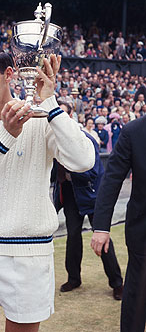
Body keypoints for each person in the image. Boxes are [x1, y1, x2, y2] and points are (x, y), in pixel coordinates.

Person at [0, 46, 95, 332]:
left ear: (9, 74)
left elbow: (83, 160)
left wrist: (49, 102)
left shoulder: (42, 120)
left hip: (28, 255)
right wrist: (5, 136)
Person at [53, 103, 123, 299]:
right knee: (72, 237)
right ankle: (74, 278)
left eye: (62, 113)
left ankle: (117, 283)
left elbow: (92, 173)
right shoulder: (53, 139)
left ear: (70, 116)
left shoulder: (86, 139)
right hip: (70, 196)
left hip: (92, 196)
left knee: (102, 237)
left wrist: (69, 175)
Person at [91, 114, 146, 332]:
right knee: (137, 293)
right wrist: (102, 227)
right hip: (143, 231)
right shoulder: (133, 131)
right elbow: (112, 179)